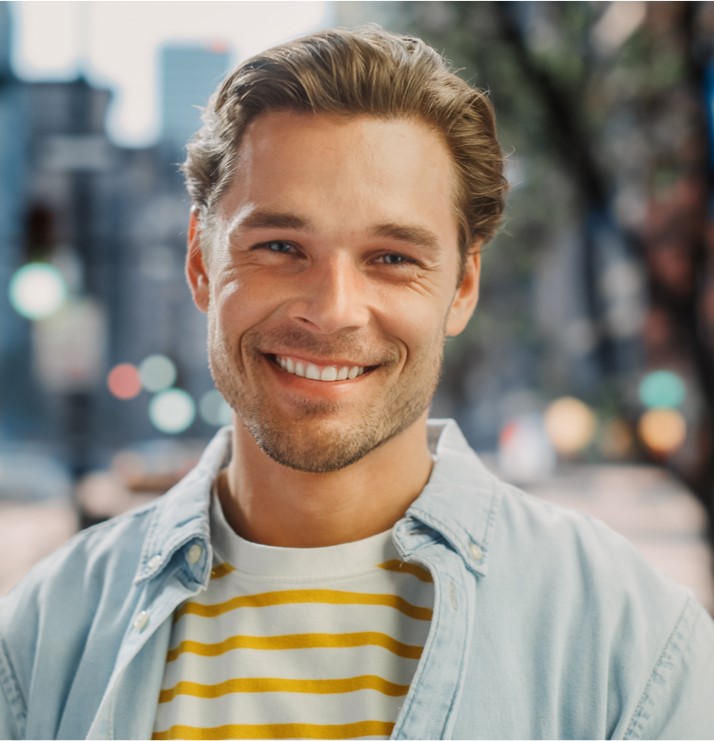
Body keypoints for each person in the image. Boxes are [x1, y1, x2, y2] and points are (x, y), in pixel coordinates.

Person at [1, 25, 713, 741]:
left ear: (462, 286)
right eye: (280, 246)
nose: (333, 309)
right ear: (199, 262)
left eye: (392, 257)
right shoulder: (45, 631)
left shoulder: (633, 643)